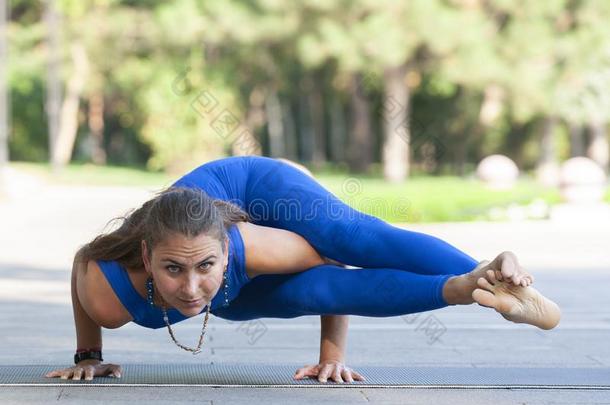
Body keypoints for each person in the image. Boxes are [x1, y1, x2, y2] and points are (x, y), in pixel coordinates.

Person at [45, 156, 561, 383]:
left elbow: (342, 266)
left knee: (349, 237)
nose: (192, 288)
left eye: (205, 267)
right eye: (173, 270)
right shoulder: (110, 292)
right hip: (202, 242)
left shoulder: (251, 246)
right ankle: (468, 288)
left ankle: (486, 278)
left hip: (257, 187)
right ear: (146, 258)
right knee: (294, 297)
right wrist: (88, 353)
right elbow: (80, 263)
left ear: (226, 253)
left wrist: (331, 355)